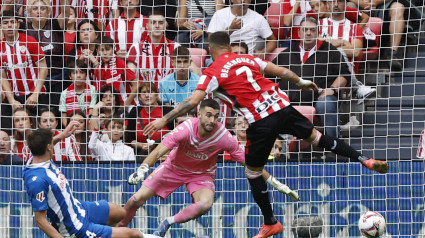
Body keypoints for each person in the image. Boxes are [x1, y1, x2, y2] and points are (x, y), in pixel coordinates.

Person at [143, 31, 389, 237]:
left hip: (260, 120)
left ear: (210, 48)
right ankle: (363, 159)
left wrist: (164, 119)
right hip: (282, 106)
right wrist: (302, 82)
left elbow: (192, 101)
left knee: (252, 172)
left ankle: (270, 222)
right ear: (230, 46)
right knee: (317, 137)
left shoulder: (213, 71)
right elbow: (282, 71)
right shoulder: (248, 59)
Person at [117, 99, 298, 237]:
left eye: (216, 116)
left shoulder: (224, 136)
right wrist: (143, 168)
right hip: (173, 168)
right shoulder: (185, 128)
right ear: (199, 114)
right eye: (208, 115)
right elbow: (158, 151)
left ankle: (167, 222)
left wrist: (275, 182)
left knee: (205, 204)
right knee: (135, 200)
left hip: (201, 175)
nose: (212, 120)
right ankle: (118, 230)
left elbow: (250, 163)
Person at [23, 127, 160, 238]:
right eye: (52, 143)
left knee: (120, 213)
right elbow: (40, 220)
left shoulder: (35, 157)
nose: (54, 145)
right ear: (48, 147)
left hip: (80, 208)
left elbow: (46, 143)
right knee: (133, 235)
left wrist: (63, 135)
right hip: (74, 228)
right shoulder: (37, 180)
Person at [272, 16, 351, 138]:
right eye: (305, 30)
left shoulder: (330, 51)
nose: (308, 33)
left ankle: (334, 146)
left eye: (312, 30)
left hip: (319, 99)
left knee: (326, 103)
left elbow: (345, 74)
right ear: (298, 32)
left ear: (318, 32)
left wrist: (332, 89)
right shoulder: (286, 53)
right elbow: (270, 76)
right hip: (288, 100)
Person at [1, 10, 48, 130]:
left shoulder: (30, 41)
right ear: (1, 26)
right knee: (8, 132)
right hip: (14, 96)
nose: (9, 25)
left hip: (35, 94)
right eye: (6, 22)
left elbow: (43, 68)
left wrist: (35, 94)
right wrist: (11, 100)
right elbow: (2, 76)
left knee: (40, 132)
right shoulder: (0, 47)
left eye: (12, 22)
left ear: (18, 24)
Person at [26, 0, 66, 106]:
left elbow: (65, 12)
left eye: (42, 9)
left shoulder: (55, 24)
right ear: (29, 12)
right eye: (35, 9)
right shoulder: (24, 28)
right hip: (35, 81)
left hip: (58, 79)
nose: (39, 12)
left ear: (48, 11)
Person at [126, 9, 179, 88]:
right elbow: (129, 75)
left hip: (169, 96)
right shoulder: (136, 48)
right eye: (153, 22)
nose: (157, 26)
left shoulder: (176, 47)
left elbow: (193, 71)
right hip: (144, 97)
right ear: (147, 26)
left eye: (160, 23)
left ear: (165, 26)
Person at [207, 0, 277, 58]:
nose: (243, 1)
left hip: (247, 59)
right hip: (223, 57)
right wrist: (230, 29)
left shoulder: (258, 18)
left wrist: (263, 52)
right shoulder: (220, 14)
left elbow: (272, 40)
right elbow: (211, 39)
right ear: (231, 0)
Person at [126, 82, 172, 155]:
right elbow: (129, 139)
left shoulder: (167, 110)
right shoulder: (135, 111)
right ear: (139, 97)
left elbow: (174, 134)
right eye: (144, 93)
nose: (147, 95)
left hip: (165, 154)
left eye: (150, 92)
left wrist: (158, 145)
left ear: (156, 95)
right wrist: (141, 146)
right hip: (141, 155)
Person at [93, 36, 137, 107]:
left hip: (123, 105)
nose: (105, 53)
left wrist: (127, 103)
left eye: (107, 49)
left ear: (112, 49)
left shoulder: (119, 63)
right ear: (97, 51)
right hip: (106, 106)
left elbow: (136, 84)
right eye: (102, 50)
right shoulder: (97, 66)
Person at [59, 60, 98, 126]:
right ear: (70, 76)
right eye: (75, 73)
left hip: (88, 126)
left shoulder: (93, 89)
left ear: (86, 75)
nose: (78, 76)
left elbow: (91, 111)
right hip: (71, 129)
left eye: (82, 72)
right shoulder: (64, 93)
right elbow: (63, 117)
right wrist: (70, 130)